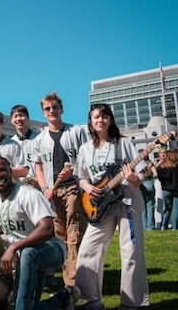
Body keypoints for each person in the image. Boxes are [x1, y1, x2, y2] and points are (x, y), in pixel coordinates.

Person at [74, 103, 150, 310]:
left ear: (111, 120)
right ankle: (92, 299)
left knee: (131, 250)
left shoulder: (124, 143)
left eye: (105, 116)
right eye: (96, 117)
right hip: (100, 204)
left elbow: (143, 173)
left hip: (127, 200)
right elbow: (81, 178)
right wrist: (88, 187)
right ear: (90, 121)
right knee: (89, 249)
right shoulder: (85, 149)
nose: (101, 120)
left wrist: (135, 178)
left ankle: (131, 302)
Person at [0, 157, 66, 310]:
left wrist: (13, 247)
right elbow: (4, 227)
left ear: (11, 172)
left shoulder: (28, 194)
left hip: (50, 249)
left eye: (2, 169)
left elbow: (48, 229)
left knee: (28, 253)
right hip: (26, 257)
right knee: (31, 305)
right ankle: (64, 298)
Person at [33, 92, 88, 288]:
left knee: (74, 232)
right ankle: (69, 275)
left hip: (73, 187)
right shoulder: (40, 139)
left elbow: (86, 156)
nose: (52, 111)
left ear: (61, 109)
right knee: (59, 234)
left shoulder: (76, 131)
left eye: (55, 107)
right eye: (47, 109)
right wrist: (44, 187)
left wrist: (72, 170)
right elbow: (37, 166)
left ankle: (71, 282)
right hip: (52, 192)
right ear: (43, 112)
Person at [10, 104, 41, 187]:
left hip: (39, 185)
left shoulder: (39, 138)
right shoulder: (10, 143)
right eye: (15, 116)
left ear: (28, 118)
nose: (19, 119)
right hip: (18, 188)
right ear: (11, 120)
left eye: (22, 115)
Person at [153, 147, 178, 230]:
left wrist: (160, 162)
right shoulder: (176, 166)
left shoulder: (163, 168)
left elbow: (154, 171)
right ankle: (175, 227)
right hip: (176, 189)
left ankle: (164, 225)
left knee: (167, 209)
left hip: (166, 190)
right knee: (176, 209)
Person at [140, 153, 157, 230]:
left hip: (141, 184)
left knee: (142, 206)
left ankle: (143, 225)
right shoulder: (149, 163)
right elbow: (155, 174)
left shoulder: (138, 163)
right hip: (149, 183)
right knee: (150, 205)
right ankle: (150, 226)